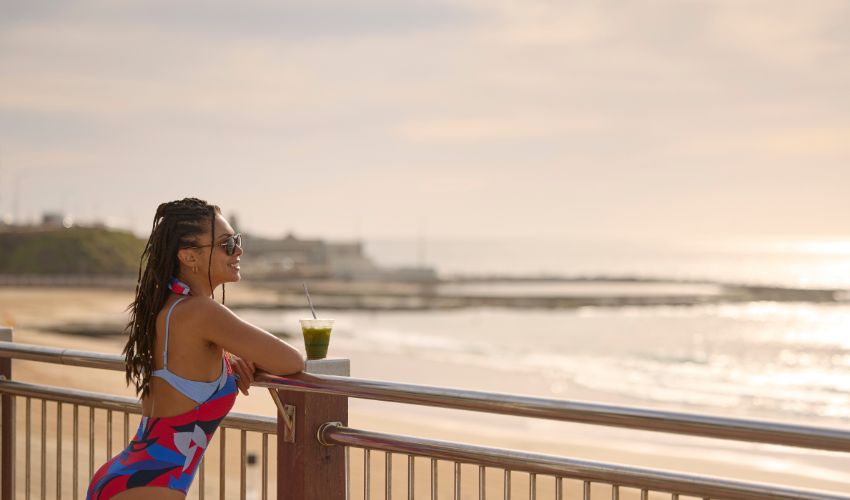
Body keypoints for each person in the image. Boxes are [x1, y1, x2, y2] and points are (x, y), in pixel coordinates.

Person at [87, 198, 305, 499]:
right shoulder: (203, 313)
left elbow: (190, 361)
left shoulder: (169, 308)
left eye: (237, 241)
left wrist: (227, 360)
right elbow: (291, 361)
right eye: (227, 244)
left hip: (126, 477)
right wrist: (246, 359)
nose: (238, 250)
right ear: (190, 258)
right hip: (152, 488)